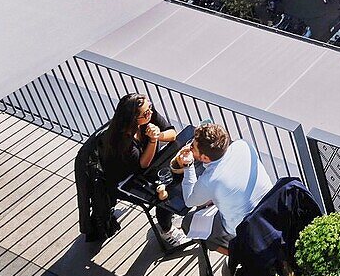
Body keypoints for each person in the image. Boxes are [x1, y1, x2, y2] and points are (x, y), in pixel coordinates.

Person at [102, 94, 185, 247]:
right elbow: (143, 164)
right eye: (146, 113)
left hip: (148, 166)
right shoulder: (122, 140)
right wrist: (153, 140)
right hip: (127, 180)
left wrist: (158, 135)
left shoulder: (148, 116)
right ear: (134, 119)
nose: (151, 113)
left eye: (150, 107)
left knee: (179, 174)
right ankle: (166, 229)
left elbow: (172, 134)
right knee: (166, 197)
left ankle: (170, 217)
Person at [176, 123, 273, 251]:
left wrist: (188, 166)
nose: (190, 148)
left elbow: (189, 201)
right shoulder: (243, 145)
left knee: (188, 222)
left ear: (205, 157)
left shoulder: (209, 180)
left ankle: (238, 255)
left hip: (242, 225)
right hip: (269, 207)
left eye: (193, 147)